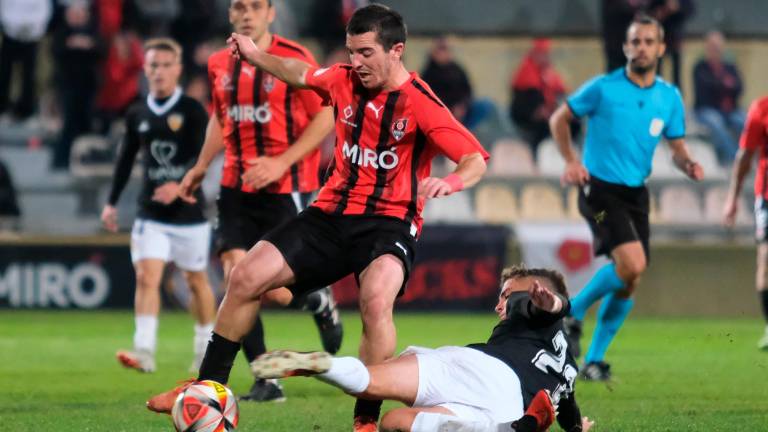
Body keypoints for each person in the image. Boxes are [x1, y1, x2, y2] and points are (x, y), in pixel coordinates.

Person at [147, 4, 489, 431]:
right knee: (245, 276)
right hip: (330, 213)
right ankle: (205, 389)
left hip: (388, 222)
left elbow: (474, 159)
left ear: (396, 50)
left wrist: (450, 183)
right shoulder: (342, 79)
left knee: (376, 301)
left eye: (366, 53)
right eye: (351, 52)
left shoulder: (421, 103)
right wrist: (255, 56)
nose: (356, 62)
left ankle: (365, 419)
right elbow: (298, 72)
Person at [175, 0, 344, 403]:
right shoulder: (220, 62)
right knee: (238, 278)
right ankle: (267, 378)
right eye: (238, 6)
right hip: (235, 186)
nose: (246, 13)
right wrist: (201, 165)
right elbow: (221, 115)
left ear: (271, 13)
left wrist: (281, 160)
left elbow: (326, 116)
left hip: (286, 187)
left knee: (279, 291)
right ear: (230, 15)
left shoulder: (294, 58)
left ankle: (317, 299)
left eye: (255, 6)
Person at [250, 266, 594, 432]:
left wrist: (551, 303)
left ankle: (327, 367)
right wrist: (578, 427)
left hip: (468, 362)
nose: (500, 304)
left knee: (373, 383)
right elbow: (567, 408)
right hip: (503, 398)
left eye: (506, 294)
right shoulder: (568, 367)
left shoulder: (534, 309)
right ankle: (512, 430)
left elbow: (544, 308)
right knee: (396, 424)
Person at [548, 15, 704, 381]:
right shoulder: (603, 88)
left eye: (649, 41)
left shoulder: (669, 97)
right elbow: (559, 119)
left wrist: (688, 164)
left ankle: (593, 361)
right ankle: (571, 310)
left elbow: (677, 145)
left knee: (631, 278)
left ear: (661, 48)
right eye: (635, 41)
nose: (642, 48)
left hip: (636, 192)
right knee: (632, 264)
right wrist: (572, 162)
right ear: (625, 47)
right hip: (599, 191)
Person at [100, 38, 216, 373]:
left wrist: (180, 187)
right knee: (147, 277)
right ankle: (145, 351)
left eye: (166, 65)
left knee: (196, 281)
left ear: (178, 69)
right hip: (150, 213)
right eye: (153, 65)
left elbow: (203, 158)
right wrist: (110, 203)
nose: (160, 71)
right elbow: (125, 159)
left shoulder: (193, 111)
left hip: (190, 213)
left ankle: (203, 348)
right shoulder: (137, 112)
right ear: (145, 68)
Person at [723, 96, 768, 350]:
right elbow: (745, 156)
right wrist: (732, 198)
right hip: (767, 197)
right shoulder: (761, 109)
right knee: (766, 259)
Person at [509, 38, 577, 159]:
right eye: (542, 53)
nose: (546, 56)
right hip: (528, 122)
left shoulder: (547, 72)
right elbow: (529, 106)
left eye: (546, 53)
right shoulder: (526, 73)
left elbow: (560, 92)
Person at [693, 30, 745, 165]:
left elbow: (739, 87)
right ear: (707, 48)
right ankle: (735, 160)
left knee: (746, 122)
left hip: (730, 110)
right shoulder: (700, 68)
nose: (715, 50)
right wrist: (725, 84)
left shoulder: (730, 67)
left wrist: (721, 85)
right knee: (717, 124)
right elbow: (705, 90)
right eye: (712, 46)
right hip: (707, 110)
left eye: (718, 46)